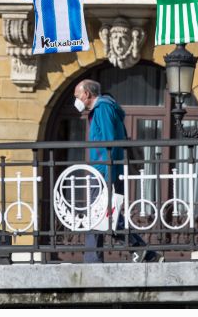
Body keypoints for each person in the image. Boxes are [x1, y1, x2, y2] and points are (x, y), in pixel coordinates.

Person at [76, 79, 159, 262]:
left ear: (87, 94)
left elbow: (109, 141)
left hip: (104, 170)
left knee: (99, 215)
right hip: (106, 168)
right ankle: (143, 252)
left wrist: (107, 172)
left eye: (78, 95)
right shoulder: (104, 107)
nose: (77, 99)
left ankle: (94, 261)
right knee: (102, 215)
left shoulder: (103, 108)